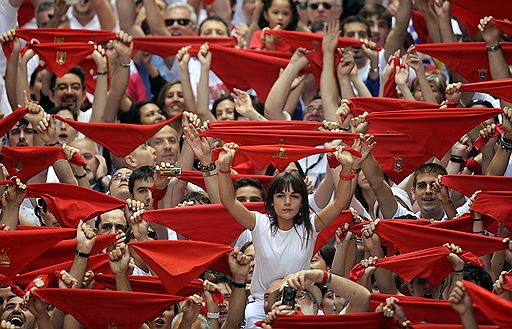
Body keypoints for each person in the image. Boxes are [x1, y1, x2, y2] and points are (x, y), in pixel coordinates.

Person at [217, 142, 357, 327]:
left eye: (295, 196)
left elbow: (339, 202)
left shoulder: (310, 225)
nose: (288, 202)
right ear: (271, 201)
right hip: (261, 303)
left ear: (302, 201)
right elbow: (228, 200)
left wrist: (347, 169)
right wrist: (224, 168)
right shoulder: (259, 223)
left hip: (302, 301)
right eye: (281, 196)